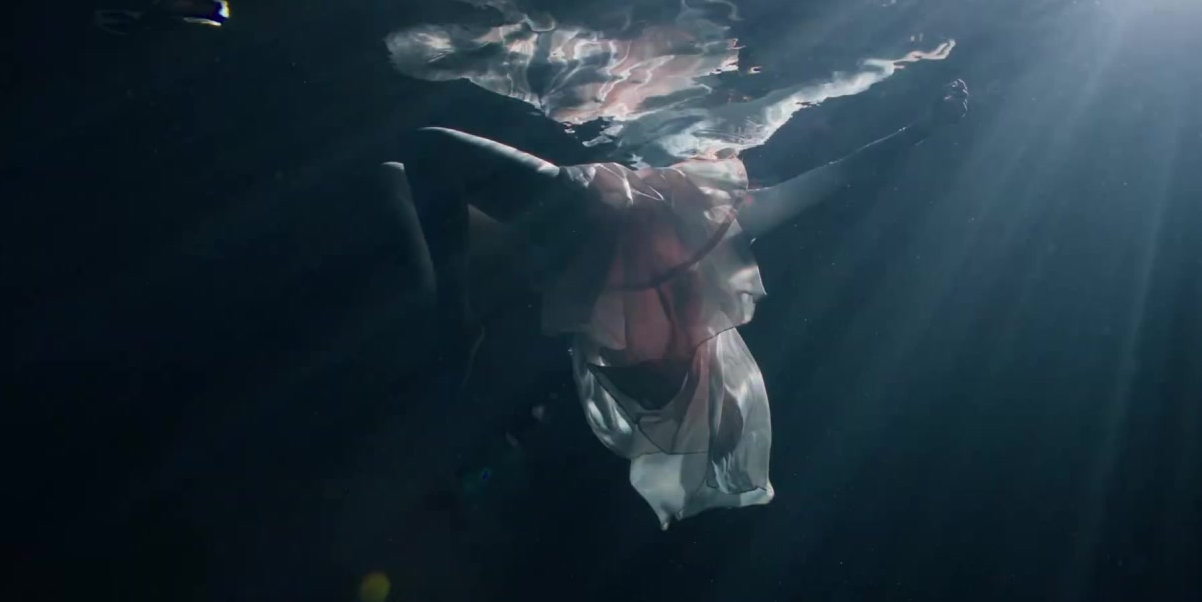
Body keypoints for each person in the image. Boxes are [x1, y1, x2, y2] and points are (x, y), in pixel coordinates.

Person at [378, 79, 969, 528]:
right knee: (407, 169)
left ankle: (451, 319)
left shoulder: (722, 230)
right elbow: (836, 176)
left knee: (419, 159)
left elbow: (835, 177)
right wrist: (921, 128)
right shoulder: (716, 234)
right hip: (576, 228)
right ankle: (450, 322)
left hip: (583, 214)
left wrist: (921, 128)